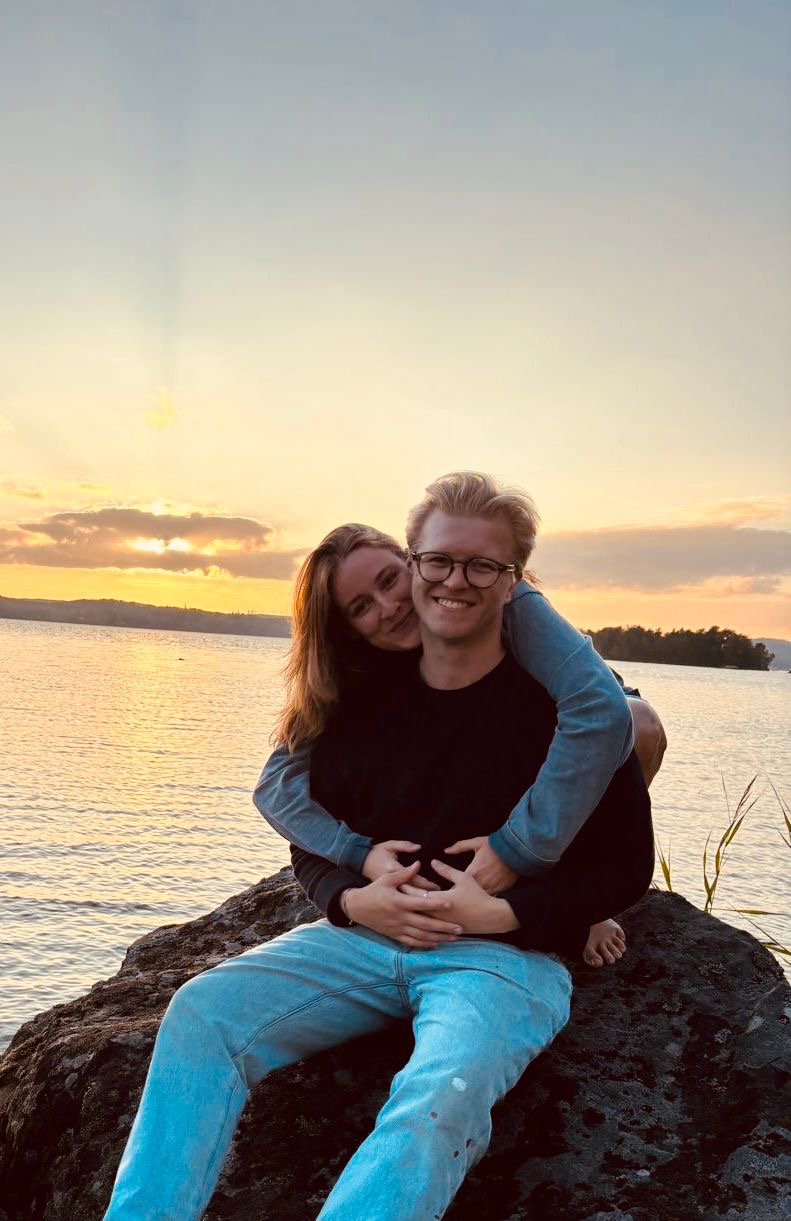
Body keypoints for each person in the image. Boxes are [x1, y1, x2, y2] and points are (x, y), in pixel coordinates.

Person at [103, 472, 654, 1220]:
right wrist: (351, 894)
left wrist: (513, 911)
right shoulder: (361, 698)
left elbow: (623, 861)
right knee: (201, 1012)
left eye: (479, 567)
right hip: (365, 942)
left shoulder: (563, 711)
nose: (442, 585)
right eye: (435, 564)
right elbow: (307, 833)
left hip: (501, 961)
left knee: (440, 1092)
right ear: (419, 560)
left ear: (513, 581)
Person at [254, 515, 666, 966]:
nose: (389, 606)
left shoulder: (503, 599)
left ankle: (579, 893)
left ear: (412, 560)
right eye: (361, 607)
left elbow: (597, 708)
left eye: (390, 580)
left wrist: (517, 856)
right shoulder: (358, 681)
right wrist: (359, 857)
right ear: (348, 630)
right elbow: (277, 784)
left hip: (587, 697)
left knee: (635, 723)